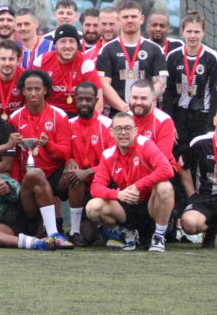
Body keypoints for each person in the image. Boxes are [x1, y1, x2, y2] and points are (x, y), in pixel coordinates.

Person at [87, 112, 175, 252]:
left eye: (127, 128)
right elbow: (95, 187)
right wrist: (118, 195)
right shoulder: (108, 155)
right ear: (111, 132)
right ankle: (126, 233)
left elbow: (167, 170)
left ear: (135, 131)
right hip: (126, 206)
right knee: (92, 207)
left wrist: (137, 186)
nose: (123, 133)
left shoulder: (146, 145)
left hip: (151, 206)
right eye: (118, 129)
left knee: (165, 187)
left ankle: (158, 236)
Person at [7, 70, 74, 246]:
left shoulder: (58, 115)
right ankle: (51, 230)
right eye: (29, 89)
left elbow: (66, 153)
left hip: (53, 175)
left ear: (45, 90)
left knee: (73, 177)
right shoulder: (15, 118)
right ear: (23, 91)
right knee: (34, 175)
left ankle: (69, 230)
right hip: (26, 178)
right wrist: (15, 184)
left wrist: (48, 145)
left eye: (37, 89)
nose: (33, 93)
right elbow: (13, 157)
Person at [163, 12, 217, 178]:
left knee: (200, 159)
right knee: (177, 159)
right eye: (189, 31)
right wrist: (169, 123)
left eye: (197, 32)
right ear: (182, 32)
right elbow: (168, 92)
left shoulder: (212, 57)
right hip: (179, 118)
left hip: (202, 118)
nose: (193, 36)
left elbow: (216, 95)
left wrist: (211, 126)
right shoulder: (173, 56)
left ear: (204, 33)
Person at [179, 106, 217, 250]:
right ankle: (211, 228)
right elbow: (182, 167)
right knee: (188, 224)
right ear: (215, 121)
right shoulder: (200, 143)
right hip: (204, 200)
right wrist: (192, 195)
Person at [64, 82, 114, 245]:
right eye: (80, 99)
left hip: (102, 182)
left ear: (96, 100)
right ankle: (74, 231)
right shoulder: (68, 124)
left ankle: (104, 229)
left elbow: (113, 162)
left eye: (88, 99)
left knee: (90, 237)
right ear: (75, 99)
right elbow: (63, 151)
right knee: (73, 175)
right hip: (77, 183)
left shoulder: (108, 125)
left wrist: (88, 171)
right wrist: (69, 160)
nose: (84, 103)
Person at [96, 0, 168, 112]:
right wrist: (125, 108)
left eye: (134, 16)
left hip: (146, 112)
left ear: (142, 19)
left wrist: (142, 103)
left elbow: (161, 84)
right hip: (117, 114)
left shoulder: (155, 49)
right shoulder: (107, 50)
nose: (129, 20)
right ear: (118, 20)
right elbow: (104, 85)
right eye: (125, 17)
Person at [34, 24, 103, 116]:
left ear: (77, 44)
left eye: (71, 41)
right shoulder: (41, 61)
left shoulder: (86, 64)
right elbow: (32, 94)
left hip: (78, 114)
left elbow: (99, 102)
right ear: (55, 44)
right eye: (62, 41)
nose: (67, 46)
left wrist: (87, 122)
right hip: (49, 113)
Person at [128, 80, 176, 165]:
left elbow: (161, 161)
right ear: (129, 98)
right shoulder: (123, 119)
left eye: (143, 98)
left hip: (159, 169)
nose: (138, 102)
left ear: (153, 100)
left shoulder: (164, 121)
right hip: (130, 167)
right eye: (135, 98)